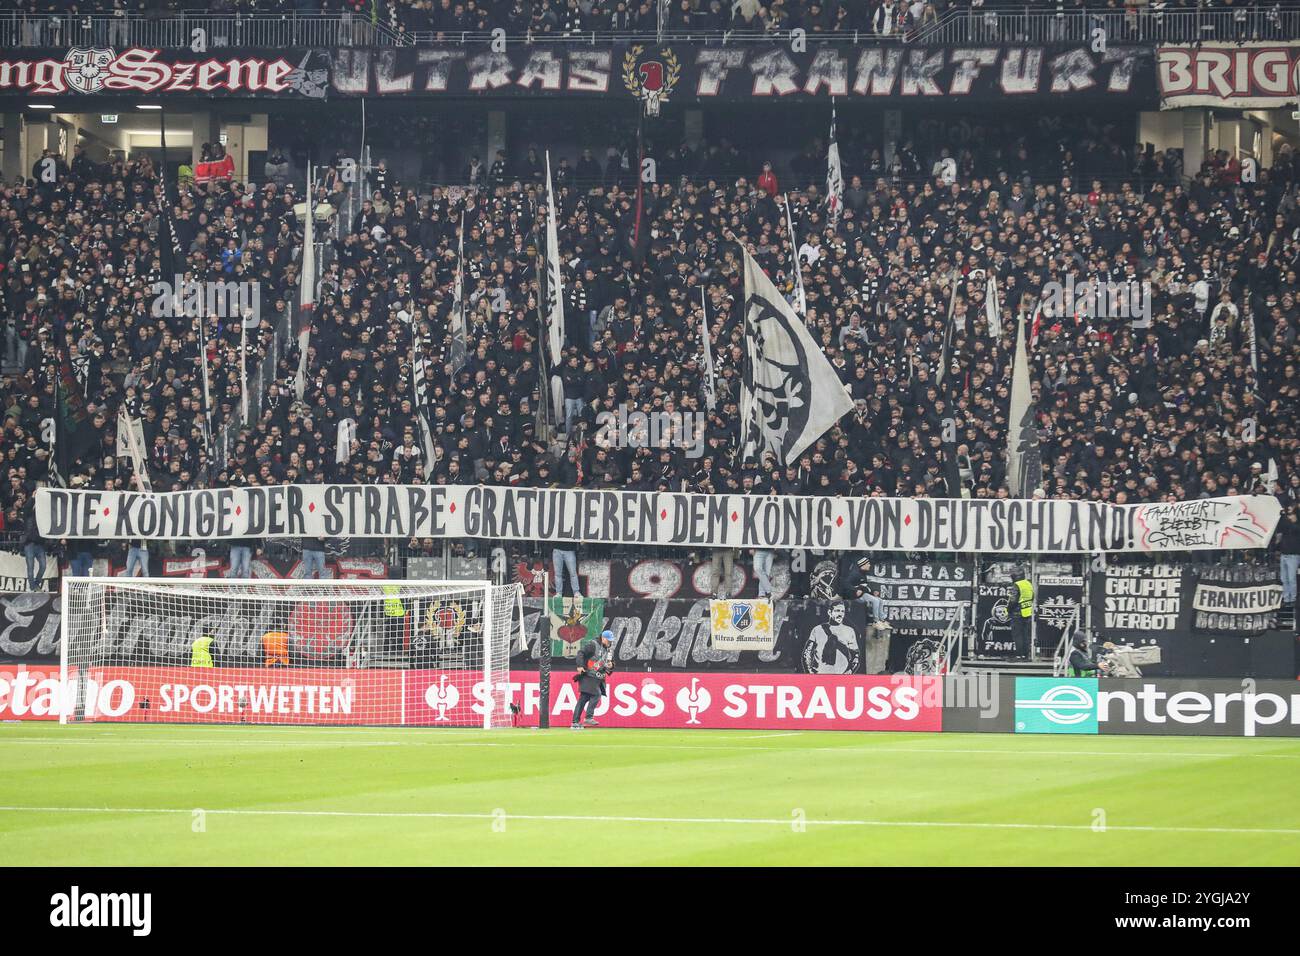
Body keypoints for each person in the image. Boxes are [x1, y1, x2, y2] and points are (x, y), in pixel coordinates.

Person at [570, 629, 612, 729]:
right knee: (596, 694)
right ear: (603, 638)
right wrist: (580, 665)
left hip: (598, 677)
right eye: (608, 640)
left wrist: (611, 665)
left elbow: (609, 664)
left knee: (583, 698)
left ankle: (575, 722)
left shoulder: (608, 650)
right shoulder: (593, 644)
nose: (610, 642)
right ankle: (588, 717)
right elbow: (581, 653)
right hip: (588, 674)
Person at [21, 496, 47, 591]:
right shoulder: (28, 515)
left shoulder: (44, 518)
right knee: (30, 568)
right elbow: (27, 507)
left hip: (40, 544)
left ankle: (36, 583)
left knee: (43, 566)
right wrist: (32, 498)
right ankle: (33, 587)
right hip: (29, 544)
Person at [1008, 566, 1034, 658]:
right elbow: (1032, 597)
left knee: (1017, 635)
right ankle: (1025, 655)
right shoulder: (1028, 583)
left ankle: (1019, 655)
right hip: (1027, 612)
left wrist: (1008, 609)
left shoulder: (1016, 585)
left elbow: (1013, 600)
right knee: (1025, 634)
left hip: (1017, 613)